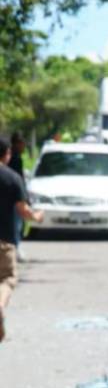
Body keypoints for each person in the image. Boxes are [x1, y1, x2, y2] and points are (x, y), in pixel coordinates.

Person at [0, 138, 45, 342]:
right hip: (4, 241)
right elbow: (22, 210)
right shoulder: (12, 178)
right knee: (7, 279)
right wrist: (36, 216)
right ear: (7, 154)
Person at [9, 131, 25, 261]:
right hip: (14, 197)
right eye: (21, 143)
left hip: (13, 195)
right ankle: (16, 248)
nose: (23, 146)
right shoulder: (14, 159)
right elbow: (18, 179)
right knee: (17, 224)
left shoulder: (17, 158)